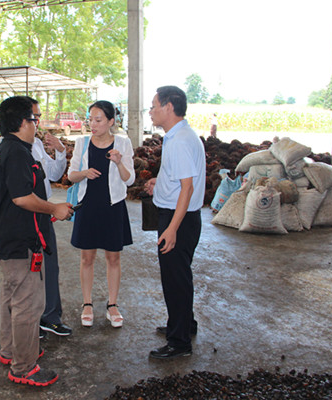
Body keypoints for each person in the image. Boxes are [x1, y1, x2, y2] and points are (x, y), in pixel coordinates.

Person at [0, 96, 73, 386]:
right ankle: (23, 367)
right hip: (21, 239)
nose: (37, 123)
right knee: (28, 303)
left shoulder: (8, 149)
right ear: (23, 122)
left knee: (11, 295)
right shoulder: (17, 153)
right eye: (35, 118)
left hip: (12, 237)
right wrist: (55, 209)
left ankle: (10, 350)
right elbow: (22, 197)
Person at [144, 86, 205, 359]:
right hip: (185, 216)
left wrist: (171, 229)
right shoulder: (180, 136)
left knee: (175, 280)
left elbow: (187, 188)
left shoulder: (179, 140)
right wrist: (161, 182)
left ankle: (179, 343)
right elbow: (182, 179)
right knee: (181, 275)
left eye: (154, 105)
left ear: (169, 107)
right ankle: (183, 323)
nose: (151, 110)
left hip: (178, 219)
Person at [67, 100, 135, 328]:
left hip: (113, 206)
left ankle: (112, 305)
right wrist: (84, 172)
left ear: (111, 122)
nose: (92, 124)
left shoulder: (123, 143)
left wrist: (118, 163)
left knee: (113, 257)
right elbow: (71, 176)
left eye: (98, 120)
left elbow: (130, 179)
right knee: (87, 257)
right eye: (90, 120)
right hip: (88, 205)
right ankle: (87, 304)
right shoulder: (82, 143)